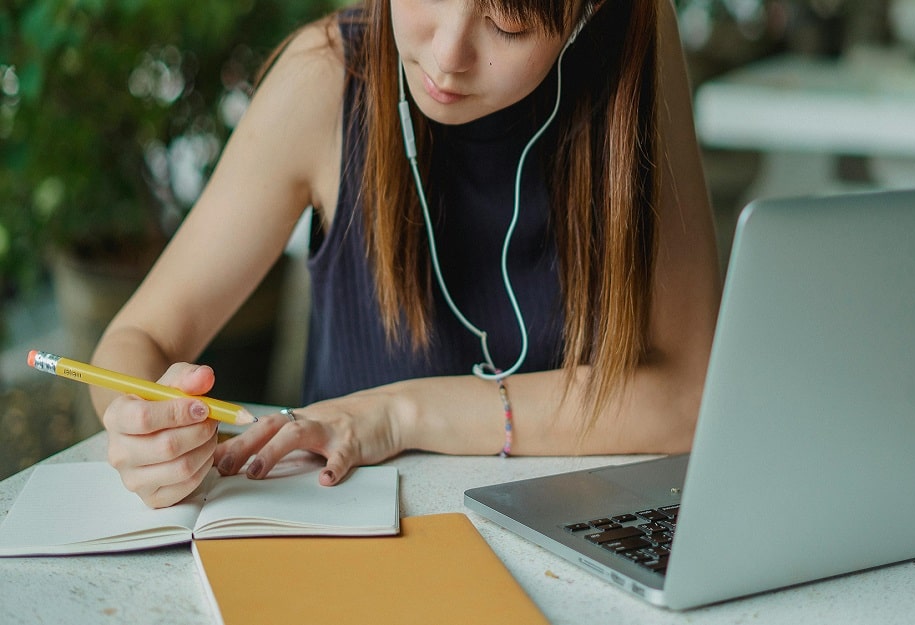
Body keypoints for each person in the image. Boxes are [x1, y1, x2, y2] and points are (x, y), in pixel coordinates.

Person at [91, 0, 722, 508]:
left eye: (509, 22)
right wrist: (147, 428)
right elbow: (140, 334)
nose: (448, 56)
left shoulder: (631, 49)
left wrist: (396, 415)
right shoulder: (325, 78)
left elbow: (687, 399)